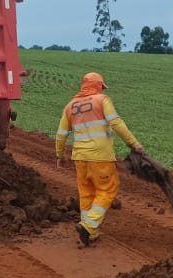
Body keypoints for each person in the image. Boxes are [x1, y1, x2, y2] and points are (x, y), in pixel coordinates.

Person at [54, 71, 145, 246]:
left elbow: (61, 134)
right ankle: (88, 225)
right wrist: (134, 144)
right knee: (107, 190)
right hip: (100, 156)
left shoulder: (70, 106)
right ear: (98, 86)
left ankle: (91, 232)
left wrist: (60, 155)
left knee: (86, 193)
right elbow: (116, 123)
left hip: (80, 157)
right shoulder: (102, 100)